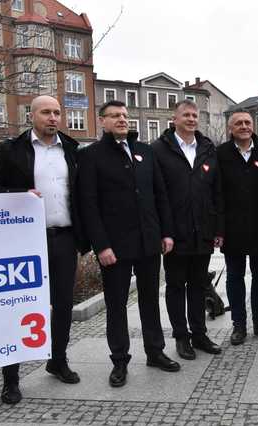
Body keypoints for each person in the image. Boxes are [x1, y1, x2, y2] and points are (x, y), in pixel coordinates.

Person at [0, 95, 87, 405]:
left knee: (63, 305)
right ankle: (10, 379)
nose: (53, 117)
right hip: (23, 240)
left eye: (57, 112)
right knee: (18, 306)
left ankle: (58, 360)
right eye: (46, 112)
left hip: (64, 238)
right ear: (32, 115)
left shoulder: (72, 150)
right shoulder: (10, 150)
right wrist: (19, 194)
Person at [78, 100, 179, 388]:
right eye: (115, 116)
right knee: (116, 305)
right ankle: (120, 360)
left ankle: (155, 352)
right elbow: (89, 205)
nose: (122, 119)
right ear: (102, 122)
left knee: (150, 300)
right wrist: (101, 246)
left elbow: (160, 195)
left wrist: (166, 233)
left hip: (149, 242)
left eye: (125, 115)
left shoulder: (144, 152)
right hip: (114, 247)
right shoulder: (92, 156)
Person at [151, 99, 224, 360]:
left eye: (195, 115)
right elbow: (156, 194)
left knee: (198, 284)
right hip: (175, 234)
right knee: (175, 286)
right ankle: (181, 337)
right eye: (186, 115)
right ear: (175, 118)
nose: (192, 119)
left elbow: (217, 191)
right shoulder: (159, 149)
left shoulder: (207, 148)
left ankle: (199, 334)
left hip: (203, 231)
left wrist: (218, 228)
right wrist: (164, 232)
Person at [217, 110, 258, 345]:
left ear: (253, 127)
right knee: (234, 277)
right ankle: (238, 324)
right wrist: (218, 229)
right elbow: (216, 193)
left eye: (247, 122)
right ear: (230, 128)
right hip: (233, 229)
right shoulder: (220, 154)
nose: (244, 126)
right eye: (238, 123)